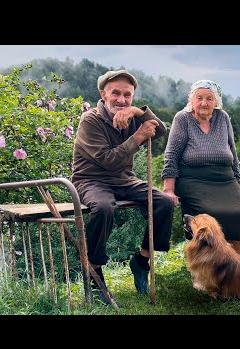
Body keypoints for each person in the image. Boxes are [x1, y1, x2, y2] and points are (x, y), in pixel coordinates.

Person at [71, 69, 175, 304]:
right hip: (90, 180)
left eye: (127, 95)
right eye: (115, 93)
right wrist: (138, 136)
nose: (121, 99)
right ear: (103, 94)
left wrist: (138, 112)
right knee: (104, 208)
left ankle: (141, 261)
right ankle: (94, 272)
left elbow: (159, 130)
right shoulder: (90, 120)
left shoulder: (130, 115)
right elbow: (108, 159)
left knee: (164, 202)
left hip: (124, 180)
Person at [161, 80, 240, 255]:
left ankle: (233, 266)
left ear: (216, 101)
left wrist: (239, 181)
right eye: (199, 98)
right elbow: (171, 155)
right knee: (207, 219)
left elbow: (232, 151)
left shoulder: (222, 117)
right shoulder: (183, 119)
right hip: (193, 180)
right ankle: (202, 272)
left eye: (209, 98)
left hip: (225, 180)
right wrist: (168, 189)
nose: (204, 103)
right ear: (191, 100)